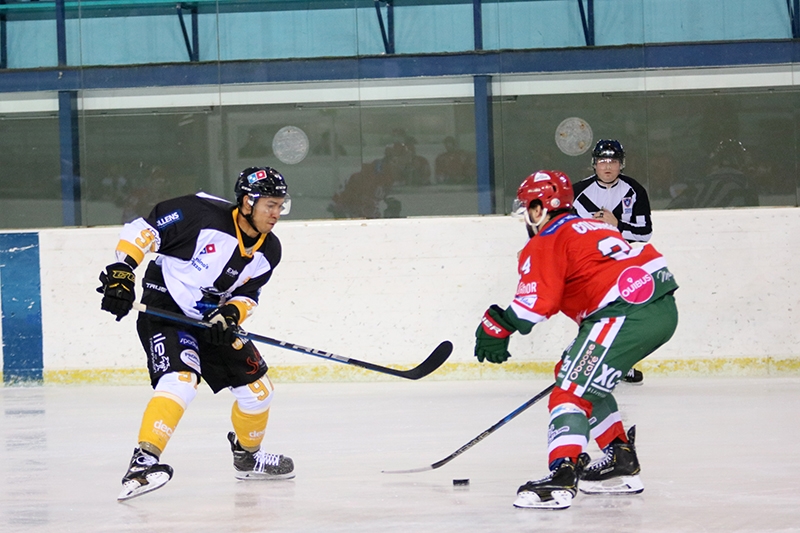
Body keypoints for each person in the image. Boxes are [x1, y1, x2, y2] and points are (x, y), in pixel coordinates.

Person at [473, 170, 678, 510]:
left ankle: (561, 477)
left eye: (527, 207)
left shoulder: (546, 240)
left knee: (570, 390)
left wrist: (497, 325)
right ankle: (619, 457)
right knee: (574, 372)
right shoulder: (595, 226)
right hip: (658, 307)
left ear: (541, 207)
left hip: (624, 313)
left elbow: (535, 304)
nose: (526, 216)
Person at [97, 167, 295, 501]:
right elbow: (143, 231)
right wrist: (122, 270)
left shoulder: (269, 251)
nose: (276, 214)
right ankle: (142, 464)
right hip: (167, 308)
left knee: (259, 392)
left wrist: (230, 314)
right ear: (248, 202)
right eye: (270, 205)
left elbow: (248, 295)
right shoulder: (199, 214)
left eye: (281, 206)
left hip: (209, 319)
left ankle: (247, 457)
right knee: (181, 380)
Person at [572, 139, 653, 384]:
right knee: (590, 315)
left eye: (613, 161)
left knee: (624, 315)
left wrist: (616, 226)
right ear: (594, 164)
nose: (608, 166)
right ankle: (586, 362)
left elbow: (645, 233)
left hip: (622, 263)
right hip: (590, 263)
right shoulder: (576, 192)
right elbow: (564, 229)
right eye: (603, 161)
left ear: (622, 164)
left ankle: (622, 364)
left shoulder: (634, 190)